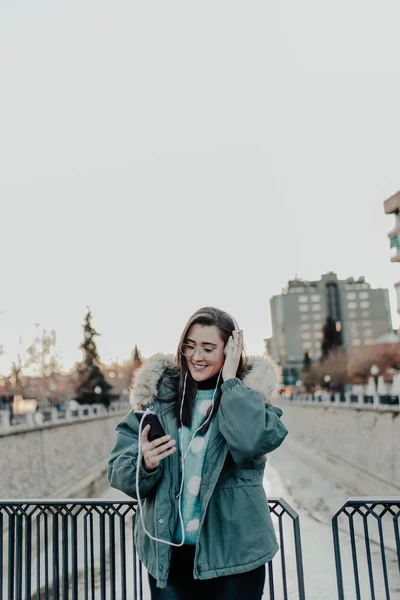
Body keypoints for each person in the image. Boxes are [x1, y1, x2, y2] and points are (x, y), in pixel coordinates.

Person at [108, 307, 288, 599]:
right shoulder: (156, 399)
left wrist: (231, 381)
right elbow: (118, 471)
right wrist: (146, 463)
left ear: (231, 350)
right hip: (169, 556)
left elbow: (250, 443)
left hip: (234, 557)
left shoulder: (251, 400)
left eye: (208, 348)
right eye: (189, 346)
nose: (197, 356)